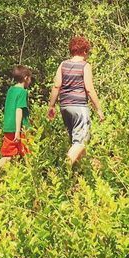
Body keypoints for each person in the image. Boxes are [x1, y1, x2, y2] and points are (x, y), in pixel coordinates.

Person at [46, 35, 103, 165]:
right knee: (80, 142)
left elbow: (56, 86)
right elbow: (89, 89)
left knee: (75, 141)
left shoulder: (63, 64)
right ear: (84, 51)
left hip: (65, 106)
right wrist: (98, 109)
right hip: (79, 107)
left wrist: (51, 106)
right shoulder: (85, 66)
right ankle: (63, 171)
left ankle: (78, 175)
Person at [0, 65, 34, 171]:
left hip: (8, 126)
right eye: (30, 78)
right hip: (20, 129)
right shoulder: (23, 92)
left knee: (7, 155)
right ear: (26, 78)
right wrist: (18, 131)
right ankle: (33, 179)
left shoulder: (11, 90)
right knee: (28, 154)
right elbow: (19, 110)